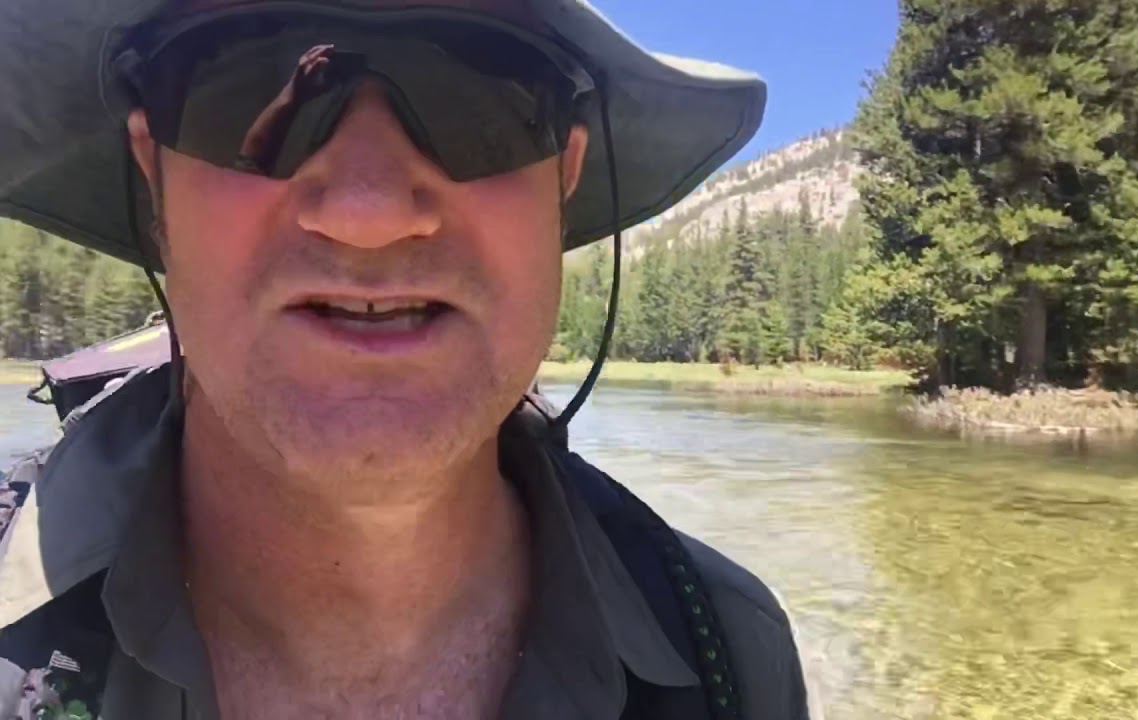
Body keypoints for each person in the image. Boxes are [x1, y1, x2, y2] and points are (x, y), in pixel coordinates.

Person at [0, 1, 815, 718]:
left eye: (480, 89)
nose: (370, 213)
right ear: (153, 176)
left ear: (563, 177)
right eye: (246, 79)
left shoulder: (733, 662)